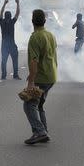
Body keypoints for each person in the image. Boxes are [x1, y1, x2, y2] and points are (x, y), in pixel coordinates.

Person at [23, 9, 58, 145]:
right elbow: (54, 56)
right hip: (51, 75)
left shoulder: (35, 37)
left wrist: (31, 81)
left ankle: (40, 132)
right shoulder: (50, 35)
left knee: (29, 105)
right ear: (44, 21)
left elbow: (34, 61)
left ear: (32, 21)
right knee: (39, 104)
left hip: (41, 77)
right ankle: (43, 131)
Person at [0, 0, 21, 80]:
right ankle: (15, 75)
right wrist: (18, 3)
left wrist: (4, 4)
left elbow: (1, 13)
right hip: (12, 45)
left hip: (4, 45)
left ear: (5, 16)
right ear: (10, 16)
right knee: (15, 60)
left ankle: (3, 75)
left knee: (4, 61)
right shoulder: (12, 22)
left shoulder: (2, 22)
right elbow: (17, 13)